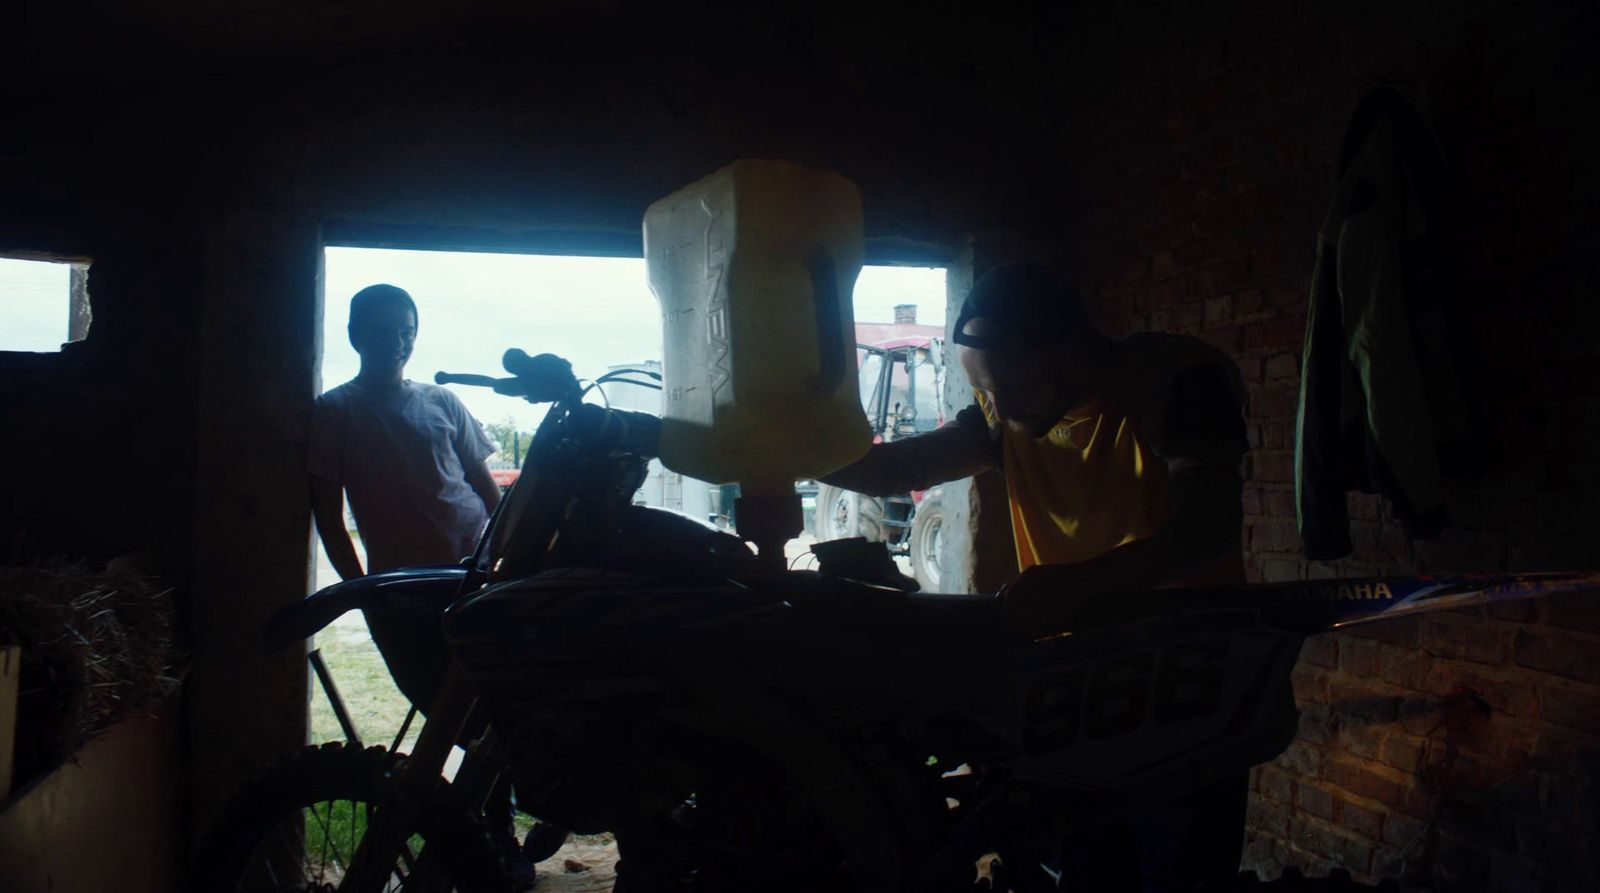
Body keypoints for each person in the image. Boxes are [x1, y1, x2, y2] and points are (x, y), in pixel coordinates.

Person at [821, 261, 1251, 891]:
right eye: (987, 393)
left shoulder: (1172, 385)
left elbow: (1206, 529)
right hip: (1081, 684)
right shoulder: (1010, 409)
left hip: (1189, 677)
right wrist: (772, 445)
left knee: (1178, 865)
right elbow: (893, 470)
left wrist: (1074, 588)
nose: (1001, 408)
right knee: (1084, 866)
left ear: (1072, 351)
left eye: (1012, 387)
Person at [309, 283, 501, 580]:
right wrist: (362, 592)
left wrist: (506, 556)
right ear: (355, 335)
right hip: (398, 583)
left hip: (475, 570)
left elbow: (487, 490)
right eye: (382, 331)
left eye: (406, 332)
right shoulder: (335, 411)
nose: (397, 342)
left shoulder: (443, 401)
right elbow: (329, 520)